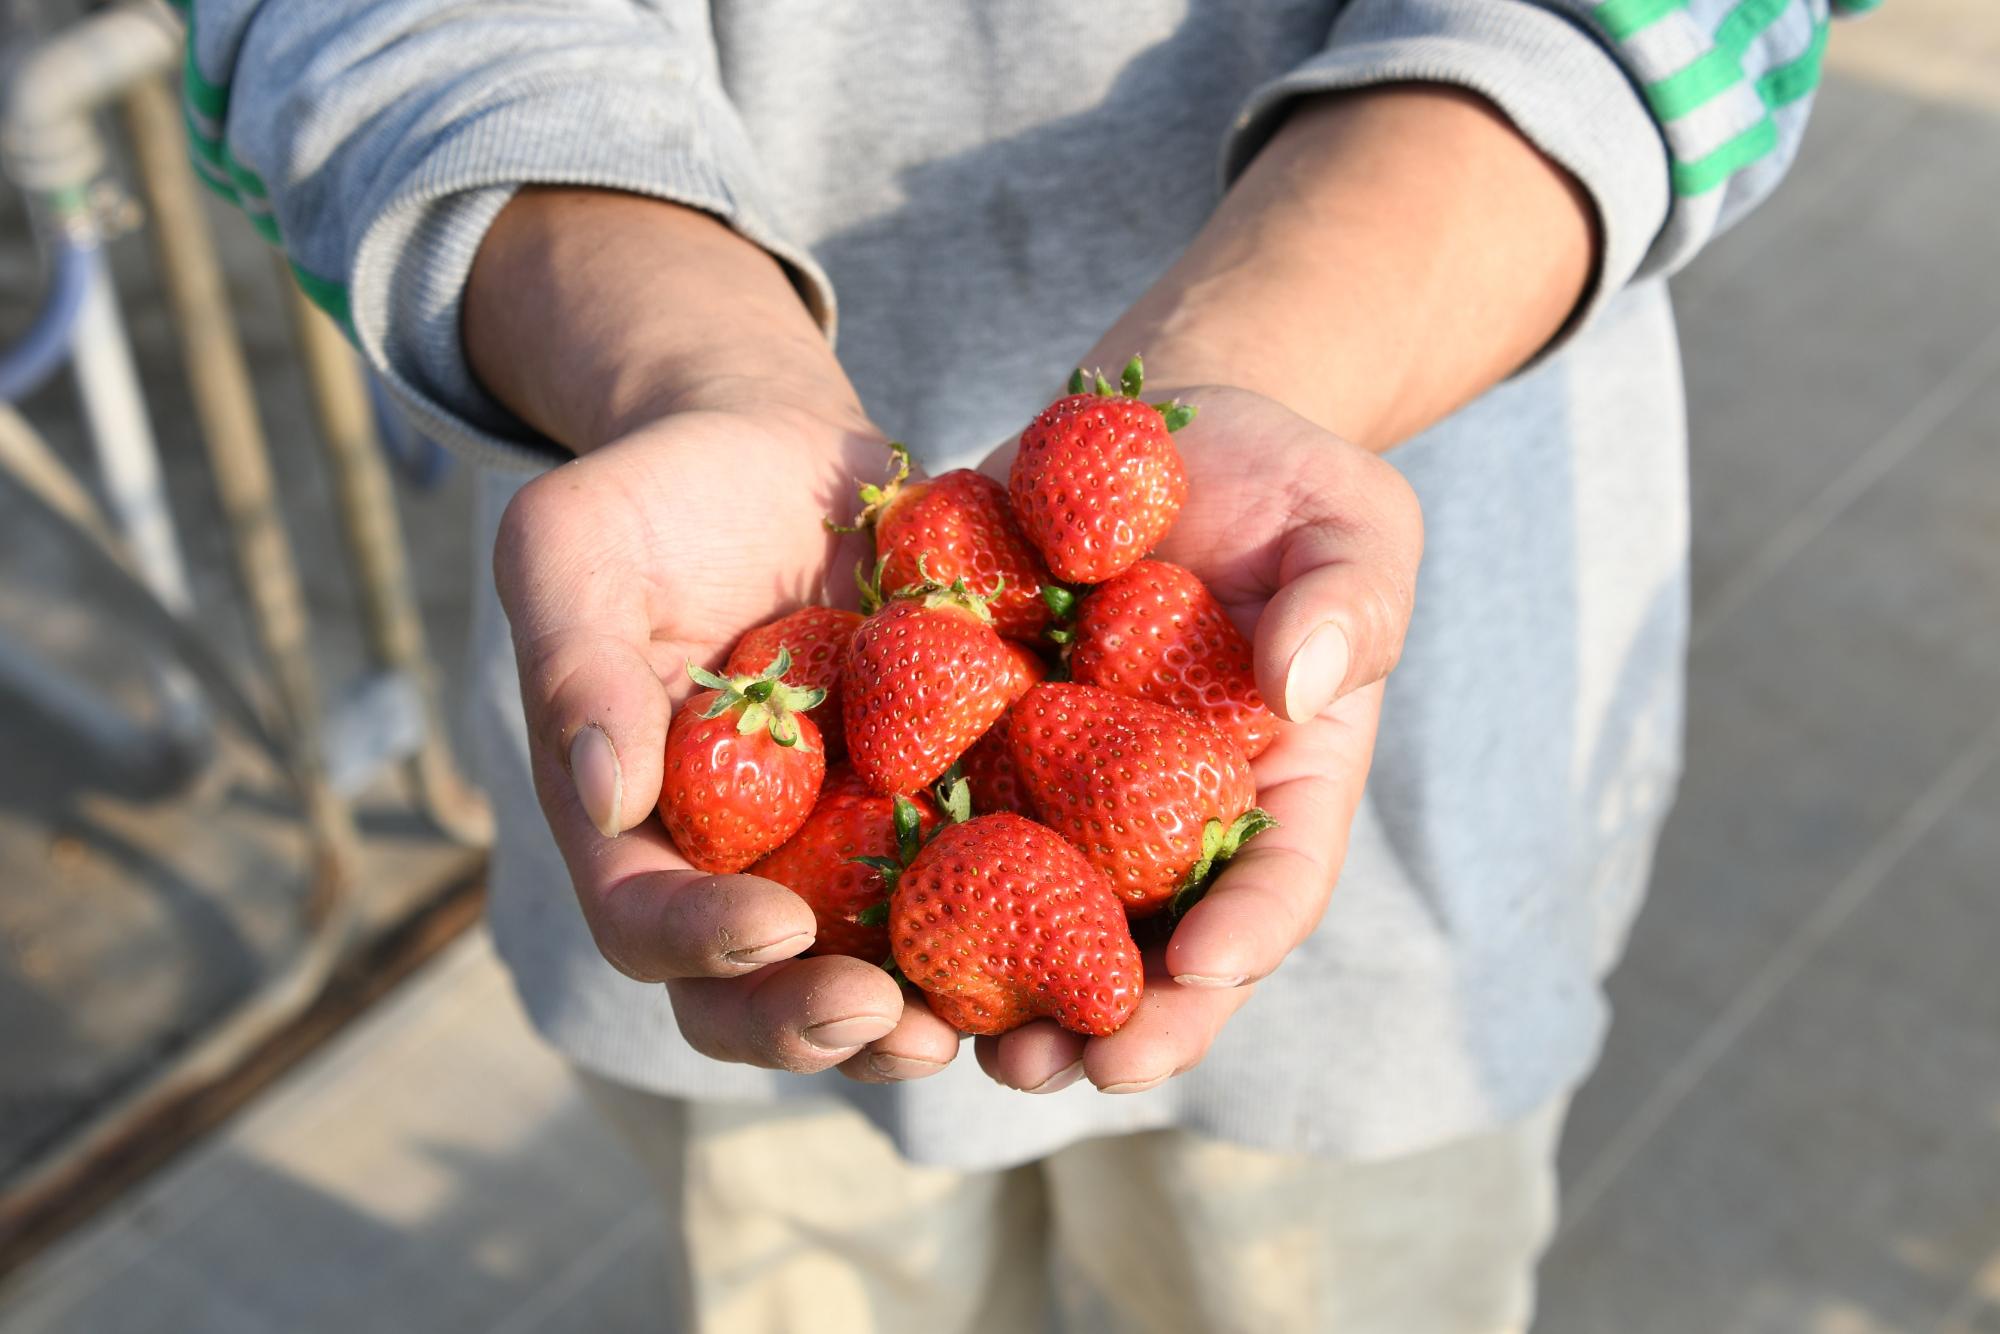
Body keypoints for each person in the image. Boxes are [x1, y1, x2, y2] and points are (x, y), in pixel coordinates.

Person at [184, 1, 1859, 1328]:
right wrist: (683, 370)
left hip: (1390, 763)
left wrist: (1260, 362)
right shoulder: (861, 717)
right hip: (692, 702)